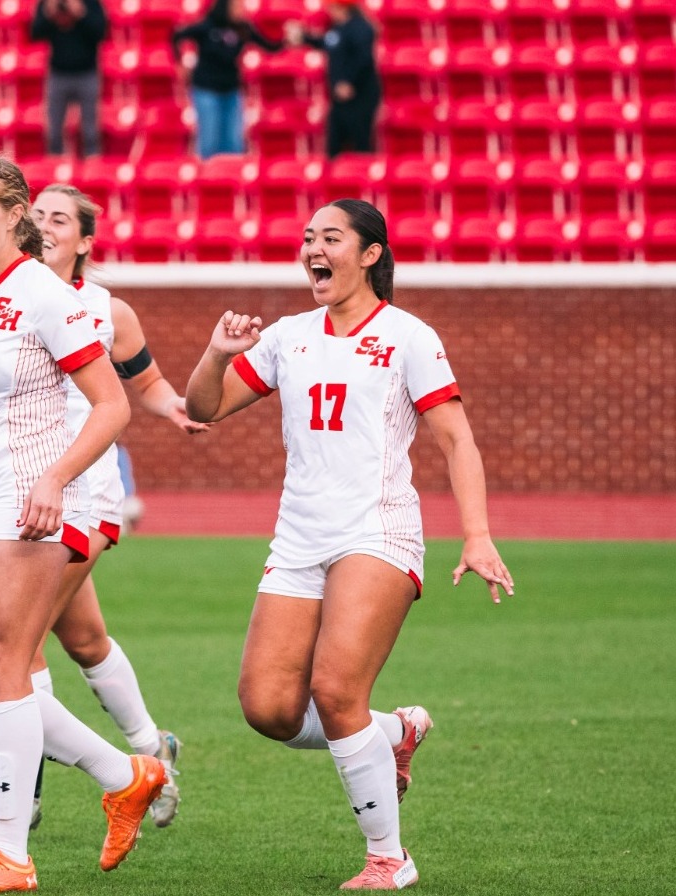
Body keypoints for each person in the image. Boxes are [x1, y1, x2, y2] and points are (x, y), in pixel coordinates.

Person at [184, 199, 515, 890]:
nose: (314, 248)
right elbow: (201, 409)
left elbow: (455, 437)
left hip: (378, 530)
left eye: (330, 237)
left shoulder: (407, 336)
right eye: (307, 237)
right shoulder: (286, 336)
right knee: (267, 708)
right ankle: (394, 732)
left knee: (335, 691)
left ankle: (387, 859)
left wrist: (476, 534)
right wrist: (217, 353)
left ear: (368, 255)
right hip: (298, 535)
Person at [0, 155, 167, 893]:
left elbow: (111, 405)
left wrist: (54, 478)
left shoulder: (46, 296)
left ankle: (10, 853)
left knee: (1, 667)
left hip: (31, 499)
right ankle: (125, 773)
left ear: (14, 216)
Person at [0, 183, 209, 843]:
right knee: (79, 639)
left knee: (13, 645)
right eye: (36, 214)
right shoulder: (6, 295)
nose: (43, 225)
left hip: (83, 495)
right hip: (22, 491)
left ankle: (20, 800)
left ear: (83, 239)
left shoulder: (107, 310)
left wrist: (173, 410)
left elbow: (144, 381)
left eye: (57, 218)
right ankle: (149, 745)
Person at [170, 0, 287, 158]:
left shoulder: (243, 29)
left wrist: (288, 39)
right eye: (236, 6)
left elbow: (270, 46)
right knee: (210, 142)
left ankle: (231, 179)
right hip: (207, 90)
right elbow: (177, 35)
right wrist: (180, 64)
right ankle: (207, 180)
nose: (240, 10)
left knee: (234, 143)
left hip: (231, 90)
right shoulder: (207, 26)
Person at [290, 0, 381, 157]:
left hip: (359, 96)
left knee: (361, 142)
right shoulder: (339, 28)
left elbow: (364, 60)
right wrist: (304, 38)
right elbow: (328, 42)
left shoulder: (360, 28)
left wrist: (349, 82)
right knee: (334, 145)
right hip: (339, 98)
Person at [31, 0, 108, 158]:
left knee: (90, 131)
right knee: (54, 130)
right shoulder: (49, 3)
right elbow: (35, 32)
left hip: (87, 73)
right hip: (58, 74)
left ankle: (93, 168)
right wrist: (48, 13)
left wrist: (80, 12)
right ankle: (54, 166)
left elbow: (101, 32)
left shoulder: (91, 3)